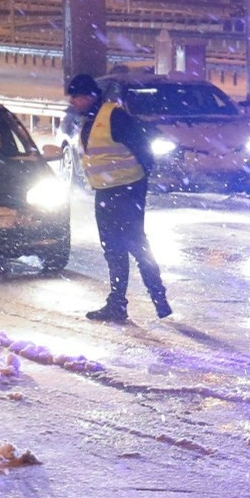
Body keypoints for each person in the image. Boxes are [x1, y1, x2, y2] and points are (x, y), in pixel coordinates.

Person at [78, 76, 170, 322]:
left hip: (125, 190)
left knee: (133, 245)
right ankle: (122, 303)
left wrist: (139, 182)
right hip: (107, 191)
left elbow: (142, 148)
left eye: (76, 97)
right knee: (116, 248)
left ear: (89, 97)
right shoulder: (92, 119)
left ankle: (155, 297)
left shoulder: (113, 116)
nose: (73, 102)